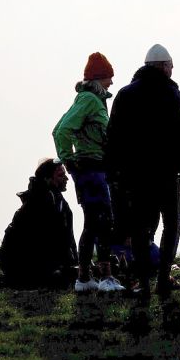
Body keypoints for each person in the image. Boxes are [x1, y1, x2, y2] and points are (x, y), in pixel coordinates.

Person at [106, 44, 180, 302]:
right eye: (171, 65)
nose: (173, 70)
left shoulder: (125, 94)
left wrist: (115, 173)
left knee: (141, 230)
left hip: (135, 176)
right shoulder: (172, 94)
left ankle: (143, 282)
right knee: (171, 224)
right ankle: (163, 278)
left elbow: (113, 137)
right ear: (163, 66)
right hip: (166, 173)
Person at [52, 52, 124, 293]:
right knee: (102, 221)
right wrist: (70, 161)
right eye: (108, 77)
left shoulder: (88, 99)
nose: (112, 82)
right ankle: (105, 278)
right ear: (99, 78)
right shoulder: (90, 100)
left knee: (93, 223)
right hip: (91, 168)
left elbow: (57, 129)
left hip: (91, 169)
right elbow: (61, 131)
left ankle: (85, 278)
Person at [0, 159, 78, 289]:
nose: (66, 179)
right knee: (65, 277)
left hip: (22, 263)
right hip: (22, 265)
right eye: (61, 175)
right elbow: (52, 240)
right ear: (47, 179)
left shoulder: (53, 197)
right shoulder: (44, 200)